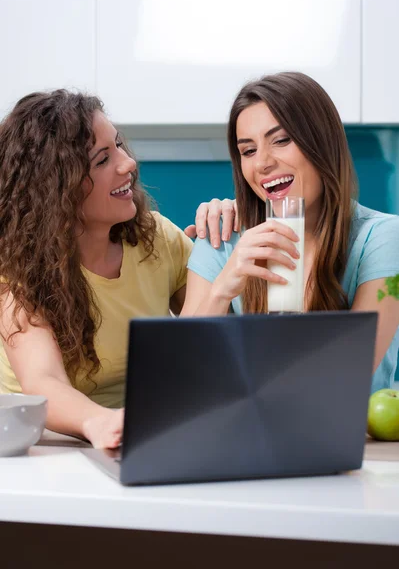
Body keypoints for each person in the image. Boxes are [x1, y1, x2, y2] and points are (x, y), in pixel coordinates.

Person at [0, 90, 235, 448]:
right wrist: (103, 422)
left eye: (120, 145)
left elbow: (215, 336)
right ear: (57, 188)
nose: (128, 164)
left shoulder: (156, 238)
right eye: (102, 159)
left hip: (140, 434)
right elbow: (43, 381)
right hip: (46, 448)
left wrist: (223, 247)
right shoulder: (16, 270)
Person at [182, 72, 399, 394]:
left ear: (322, 143)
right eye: (248, 150)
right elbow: (181, 375)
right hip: (243, 436)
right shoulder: (222, 239)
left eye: (281, 140)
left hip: (350, 440)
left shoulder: (384, 240)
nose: (263, 164)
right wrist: (221, 291)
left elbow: (348, 374)